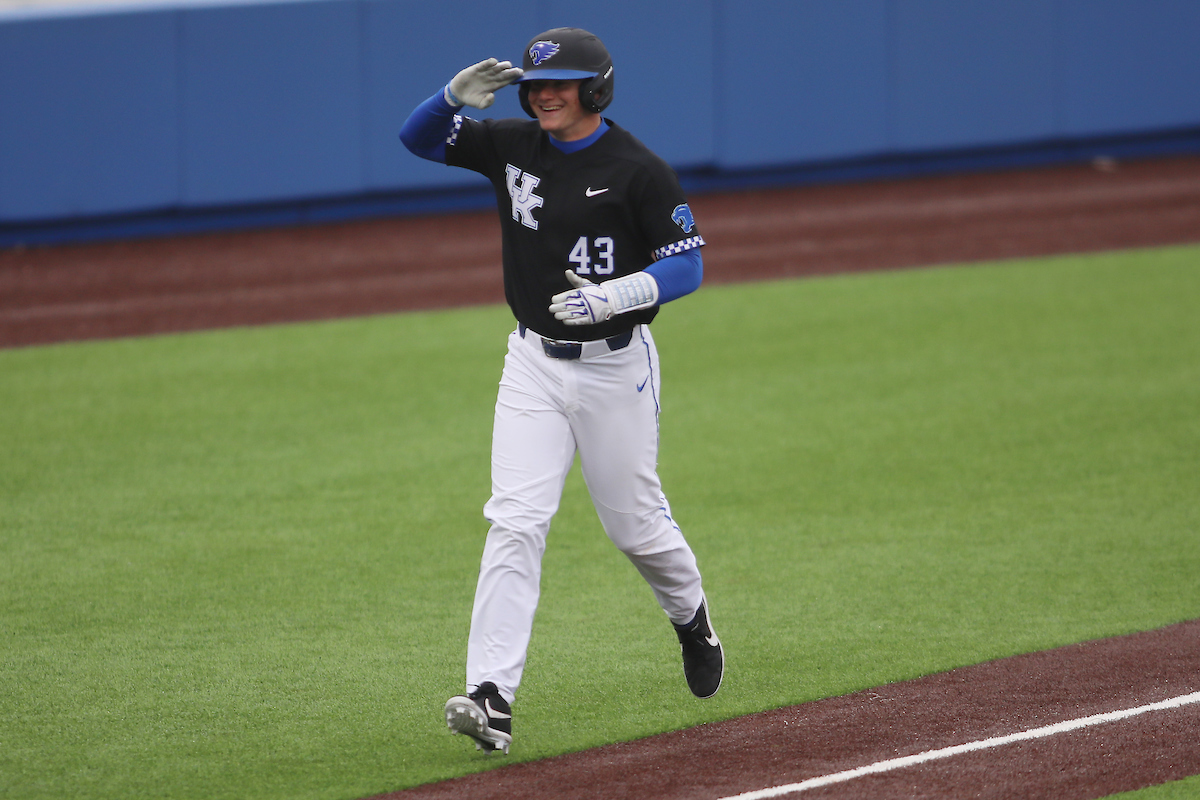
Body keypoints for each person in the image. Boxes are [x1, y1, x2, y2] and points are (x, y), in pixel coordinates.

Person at [399, 27, 723, 755]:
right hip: (533, 366)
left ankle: (692, 619)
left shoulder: (640, 170)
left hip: (615, 368)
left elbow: (688, 266)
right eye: (535, 85)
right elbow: (417, 140)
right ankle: (492, 697)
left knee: (634, 527)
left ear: (596, 89)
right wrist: (449, 98)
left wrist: (615, 297)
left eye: (560, 83)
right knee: (516, 519)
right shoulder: (513, 145)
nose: (543, 94)